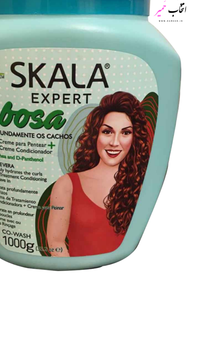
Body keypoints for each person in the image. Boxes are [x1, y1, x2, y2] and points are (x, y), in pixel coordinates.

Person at [47, 91, 152, 257]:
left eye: (125, 133)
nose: (115, 142)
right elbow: (55, 242)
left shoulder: (143, 182)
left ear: (134, 138)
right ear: (95, 134)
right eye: (107, 132)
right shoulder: (67, 184)